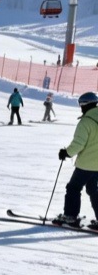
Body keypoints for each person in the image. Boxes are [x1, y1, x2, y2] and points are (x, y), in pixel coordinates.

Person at [53, 91, 98, 229]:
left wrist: (66, 153)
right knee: (93, 190)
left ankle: (70, 217)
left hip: (86, 164)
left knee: (73, 188)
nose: (81, 108)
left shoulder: (86, 122)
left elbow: (79, 143)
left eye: (81, 105)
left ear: (85, 104)